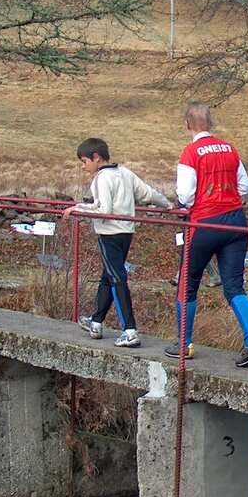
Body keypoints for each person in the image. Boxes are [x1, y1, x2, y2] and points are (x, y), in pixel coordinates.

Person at [170, 102, 248, 368]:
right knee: (234, 285)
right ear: (211, 123)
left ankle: (184, 343)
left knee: (187, 284)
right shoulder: (230, 149)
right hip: (235, 222)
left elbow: (186, 194)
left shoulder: (191, 152)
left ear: (188, 125)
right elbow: (243, 186)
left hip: (204, 223)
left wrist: (186, 205)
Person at [63, 138, 173, 348]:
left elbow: (102, 209)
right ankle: (96, 322)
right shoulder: (124, 172)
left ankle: (130, 330)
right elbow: (147, 193)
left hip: (109, 234)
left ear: (96, 158)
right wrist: (167, 204)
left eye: (84, 161)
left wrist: (77, 209)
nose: (83, 166)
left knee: (116, 277)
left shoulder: (101, 178)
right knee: (109, 275)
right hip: (126, 232)